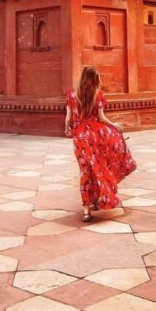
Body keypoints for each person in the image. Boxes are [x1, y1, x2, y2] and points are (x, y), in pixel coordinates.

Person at [64, 66, 136, 222]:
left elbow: (68, 118)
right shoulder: (98, 95)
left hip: (80, 138)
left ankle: (86, 210)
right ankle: (97, 199)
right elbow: (102, 118)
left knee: (86, 171)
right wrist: (114, 126)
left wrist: (67, 130)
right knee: (98, 167)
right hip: (97, 136)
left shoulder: (72, 95)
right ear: (94, 80)